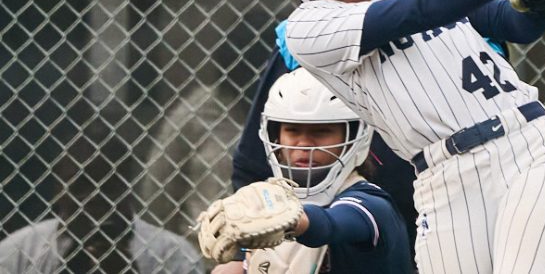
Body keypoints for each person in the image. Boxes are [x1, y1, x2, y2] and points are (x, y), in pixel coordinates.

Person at [271, 0, 545, 273]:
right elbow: (420, 10)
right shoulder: (309, 29)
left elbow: (516, 24)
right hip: (441, 181)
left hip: (525, 149)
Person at [217, 68, 412, 273]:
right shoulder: (269, 198)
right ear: (275, 135)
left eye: (321, 132)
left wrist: (292, 221)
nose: (304, 144)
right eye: (292, 130)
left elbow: (330, 224)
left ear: (354, 136)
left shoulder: (371, 204)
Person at [0, 122, 203, 273]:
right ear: (57, 188)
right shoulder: (19, 251)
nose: (93, 197)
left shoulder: (172, 254)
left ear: (128, 186)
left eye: (108, 186)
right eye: (80, 186)